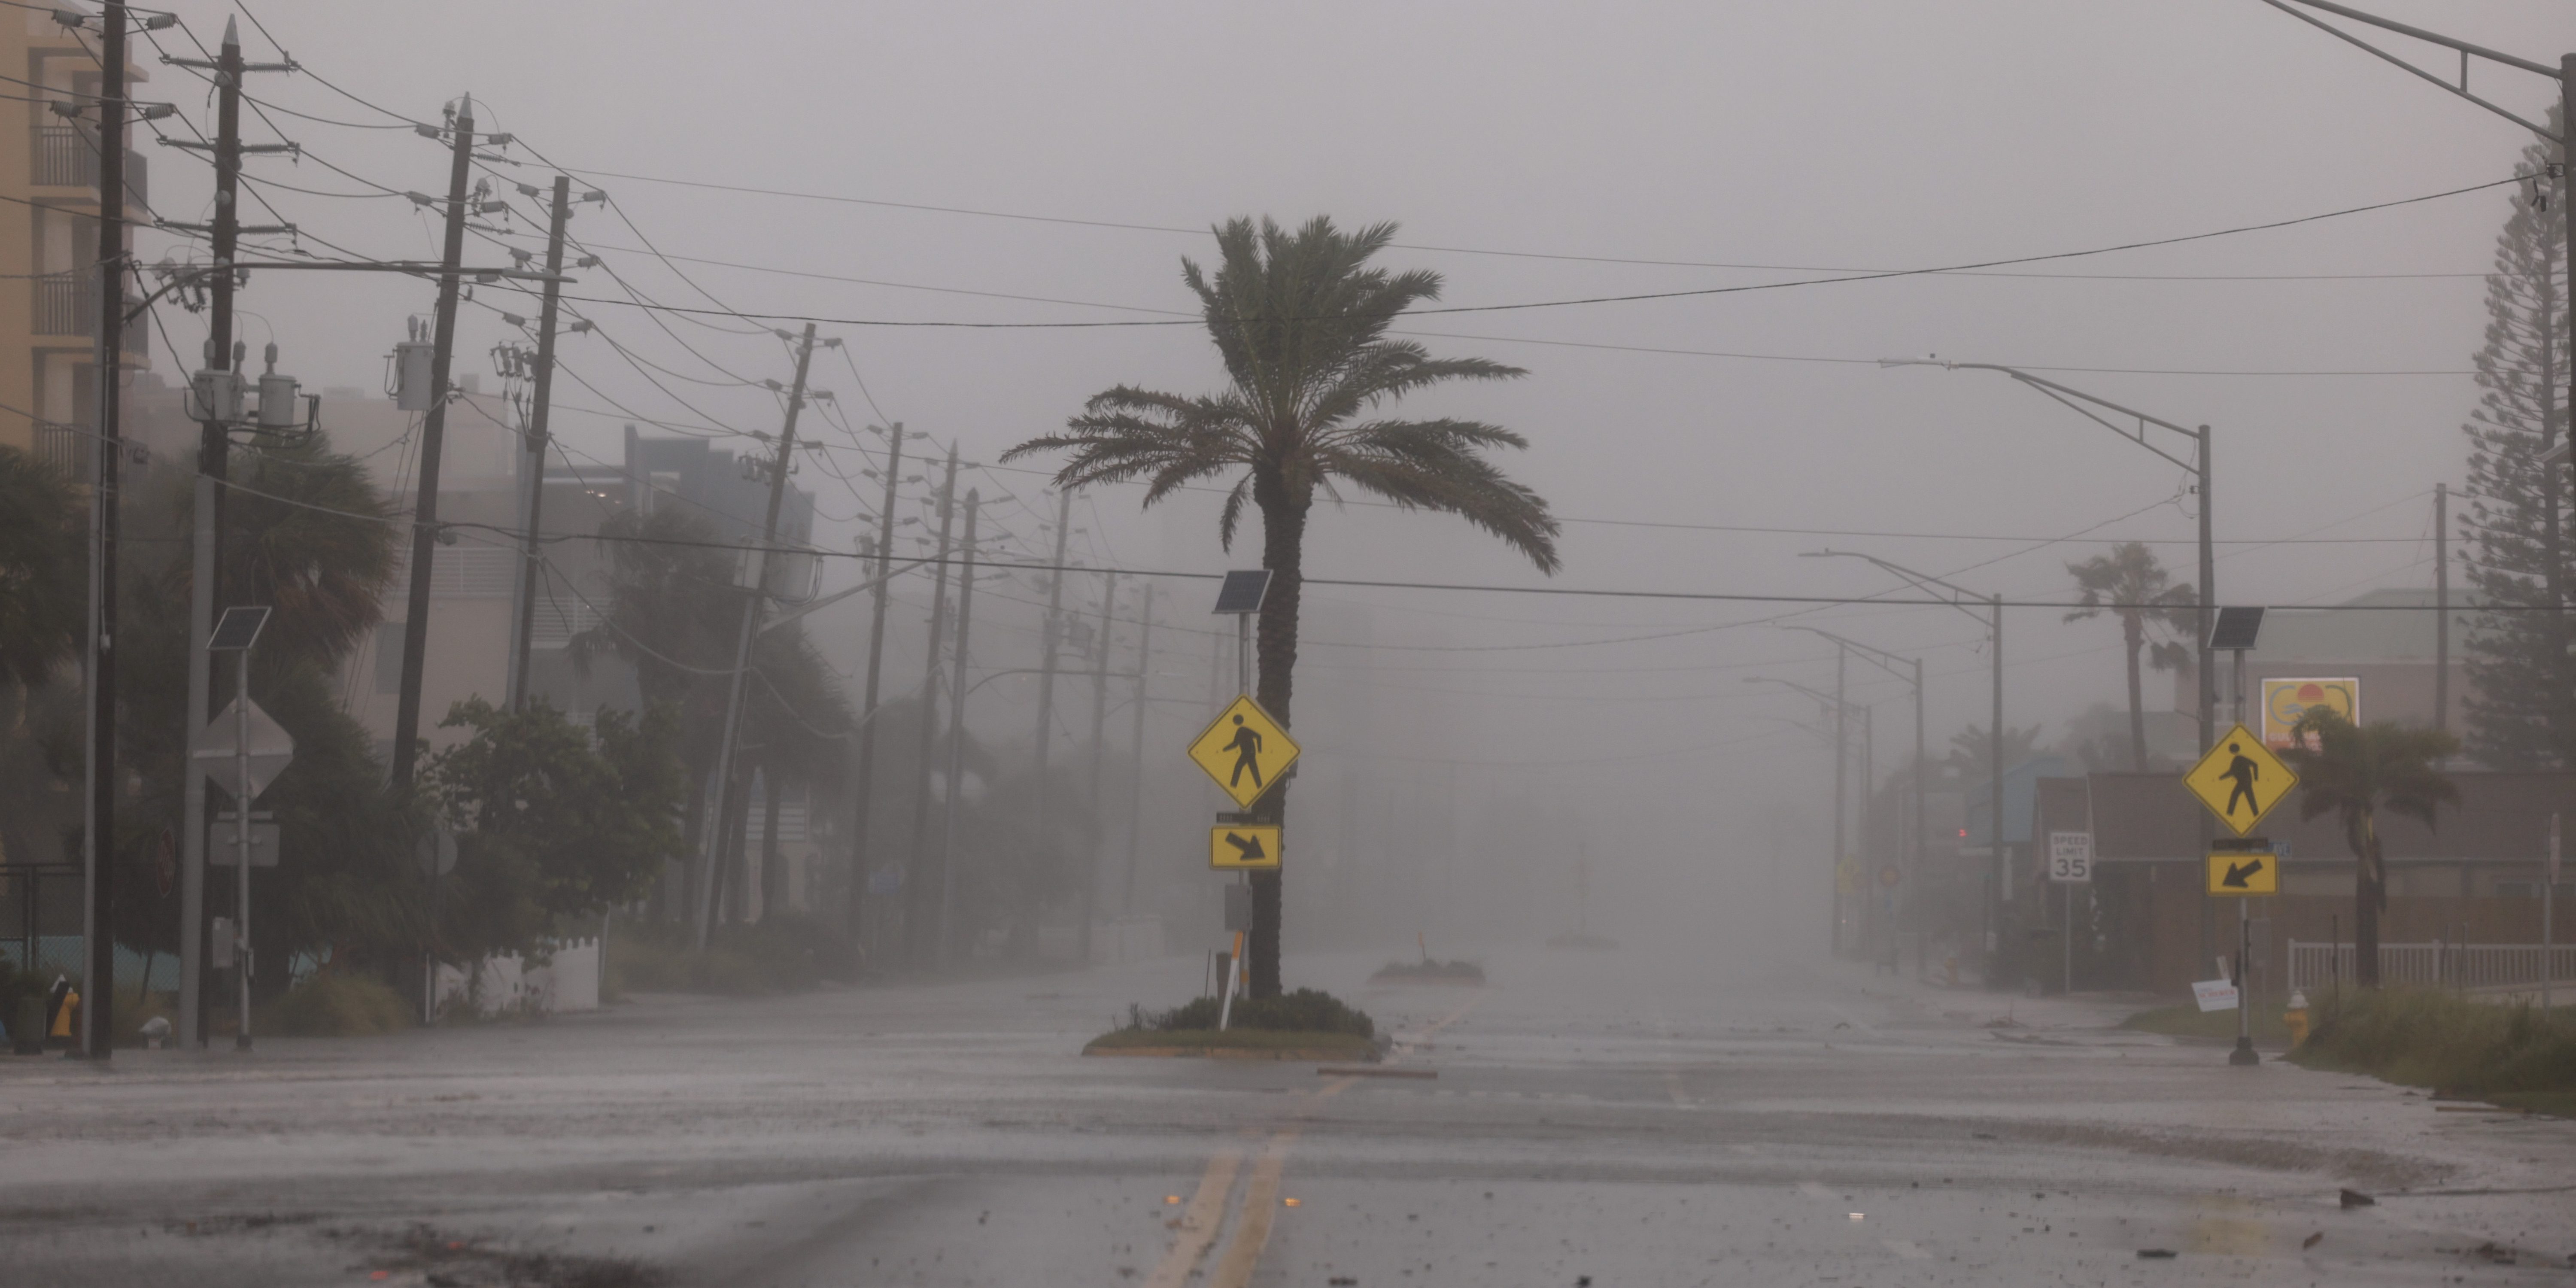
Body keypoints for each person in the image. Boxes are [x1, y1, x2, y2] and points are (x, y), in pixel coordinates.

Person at [1223, 714, 1264, 790]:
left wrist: (1260, 750)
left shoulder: (1245, 730)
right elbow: (1235, 744)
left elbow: (1259, 736)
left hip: (1250, 753)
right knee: (1249, 769)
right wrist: (1225, 749)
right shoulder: (1240, 731)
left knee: (1242, 767)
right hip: (1246, 753)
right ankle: (1259, 786)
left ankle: (1233, 786)